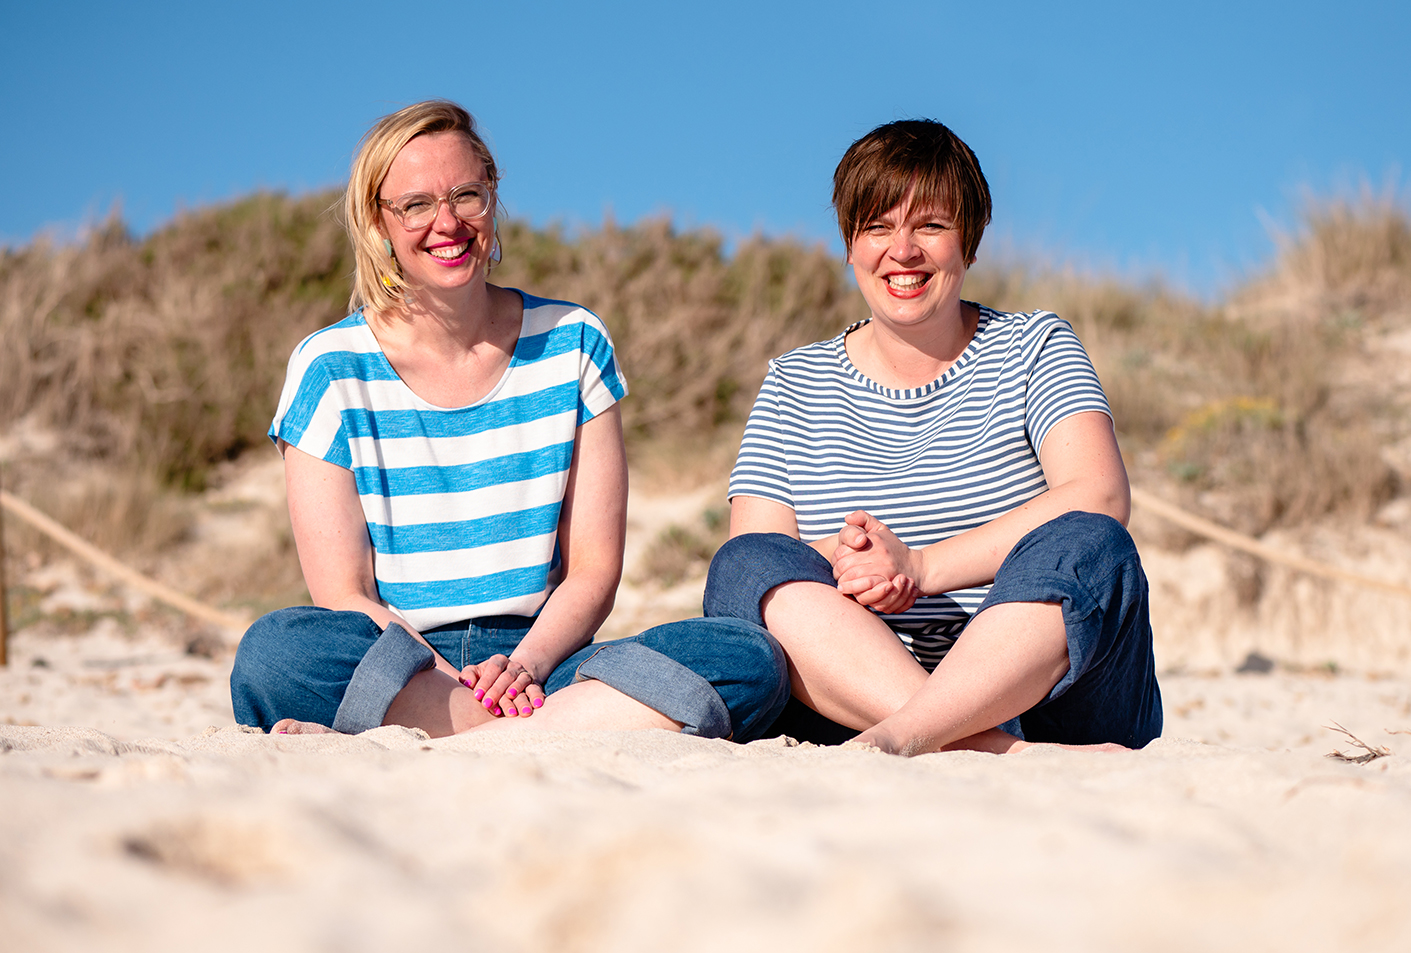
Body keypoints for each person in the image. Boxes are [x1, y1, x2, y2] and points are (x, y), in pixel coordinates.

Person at [231, 100, 787, 743]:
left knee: (750, 659)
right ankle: (516, 734)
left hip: (544, 659)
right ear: (378, 223)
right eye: (415, 204)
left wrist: (524, 666)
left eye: (466, 195)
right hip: (402, 662)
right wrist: (450, 683)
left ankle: (463, 737)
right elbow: (345, 592)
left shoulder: (573, 341)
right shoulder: (327, 367)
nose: (447, 222)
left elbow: (593, 571)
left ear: (492, 199)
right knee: (275, 653)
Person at [704, 119, 1161, 756]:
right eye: (879, 227)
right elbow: (757, 555)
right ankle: (984, 749)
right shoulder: (794, 380)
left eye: (932, 226)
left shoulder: (1035, 347)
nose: (904, 251)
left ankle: (929, 733)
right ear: (849, 244)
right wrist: (851, 562)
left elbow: (1101, 495)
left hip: (1052, 699)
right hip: (860, 692)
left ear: (968, 244)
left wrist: (920, 568)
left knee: (1090, 541)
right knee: (749, 563)